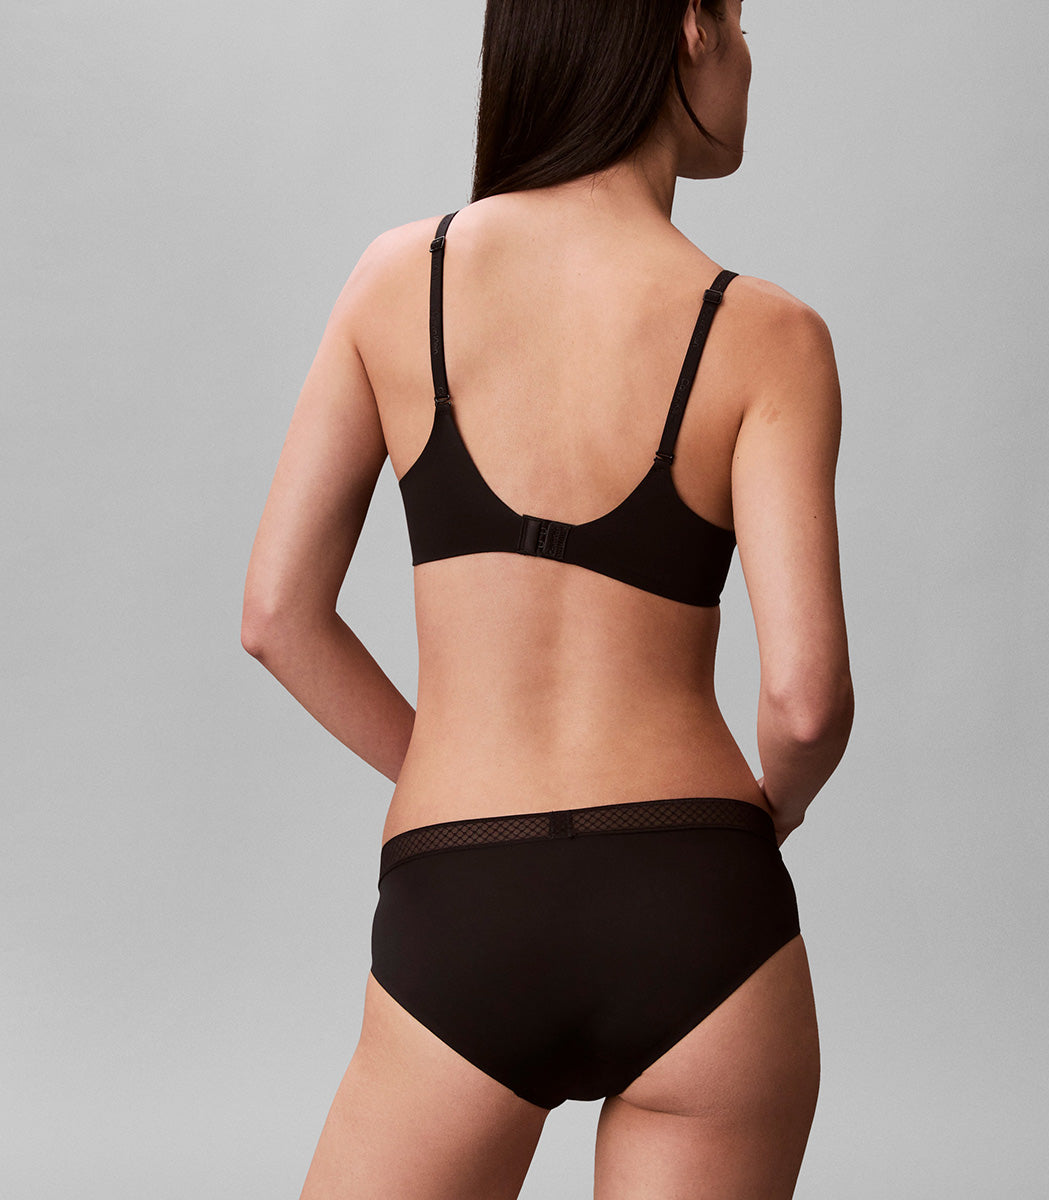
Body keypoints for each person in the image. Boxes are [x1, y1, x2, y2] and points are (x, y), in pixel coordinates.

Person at [242, 0, 853, 1195]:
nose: (746, 55)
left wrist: (449, 767)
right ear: (689, 27)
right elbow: (805, 701)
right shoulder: (772, 335)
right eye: (741, 20)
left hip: (464, 896)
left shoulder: (400, 280)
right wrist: (764, 817)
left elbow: (277, 614)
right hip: (699, 901)